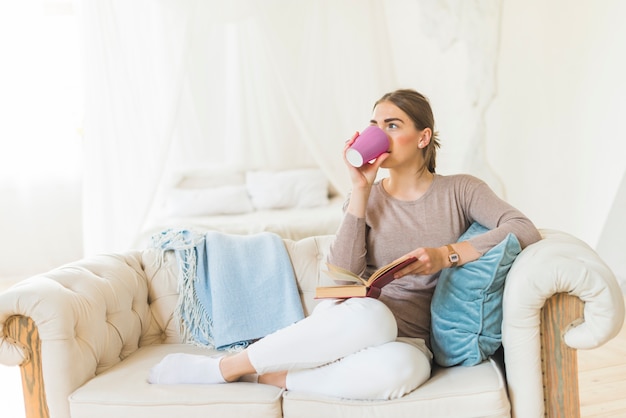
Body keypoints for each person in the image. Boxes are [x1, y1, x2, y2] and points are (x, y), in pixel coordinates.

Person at [148, 88, 542, 400]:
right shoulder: (368, 197)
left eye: (392, 124)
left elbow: (522, 228)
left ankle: (272, 377)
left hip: (411, 340)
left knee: (402, 372)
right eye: (374, 124)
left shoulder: (461, 190)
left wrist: (446, 255)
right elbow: (341, 275)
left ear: (423, 137)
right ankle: (224, 369)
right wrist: (359, 189)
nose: (378, 132)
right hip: (355, 321)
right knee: (375, 317)